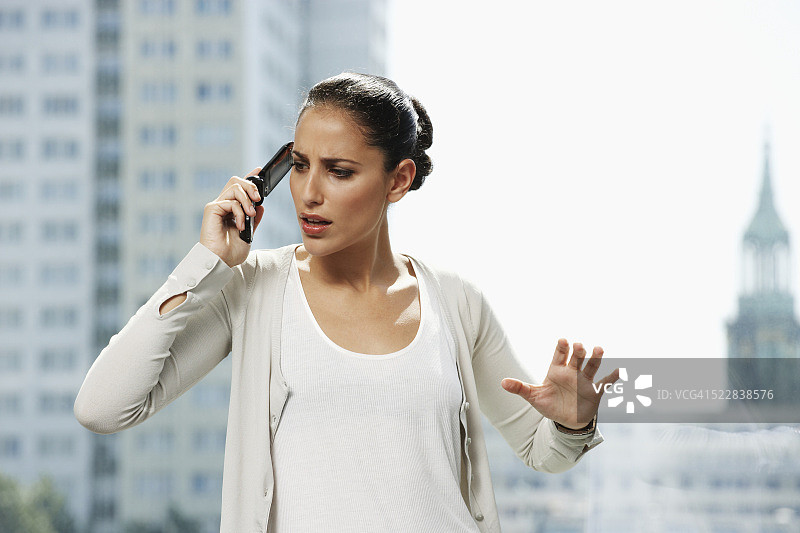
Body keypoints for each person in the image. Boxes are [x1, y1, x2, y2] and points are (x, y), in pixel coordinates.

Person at [74, 72, 620, 533]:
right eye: (302, 164)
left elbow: (539, 449)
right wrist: (204, 262)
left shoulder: (456, 303)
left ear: (398, 180)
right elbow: (102, 407)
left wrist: (572, 425)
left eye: (339, 171)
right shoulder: (252, 288)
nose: (310, 193)